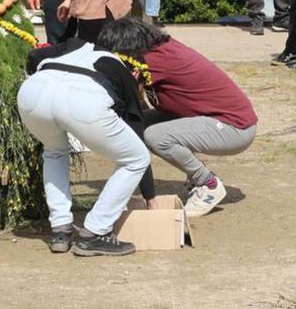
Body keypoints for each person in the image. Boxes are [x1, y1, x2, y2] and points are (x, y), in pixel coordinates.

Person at [97, 17, 258, 218]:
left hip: (233, 127)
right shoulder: (155, 52)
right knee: (136, 127)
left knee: (155, 136)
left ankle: (208, 184)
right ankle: (126, 183)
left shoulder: (155, 61)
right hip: (209, 117)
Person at [20, 38, 154, 257]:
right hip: (84, 98)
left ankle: (61, 230)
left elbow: (34, 56)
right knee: (136, 159)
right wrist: (151, 197)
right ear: (137, 73)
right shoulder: (125, 73)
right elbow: (136, 136)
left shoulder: (76, 45)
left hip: (34, 91)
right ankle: (94, 233)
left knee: (54, 152)